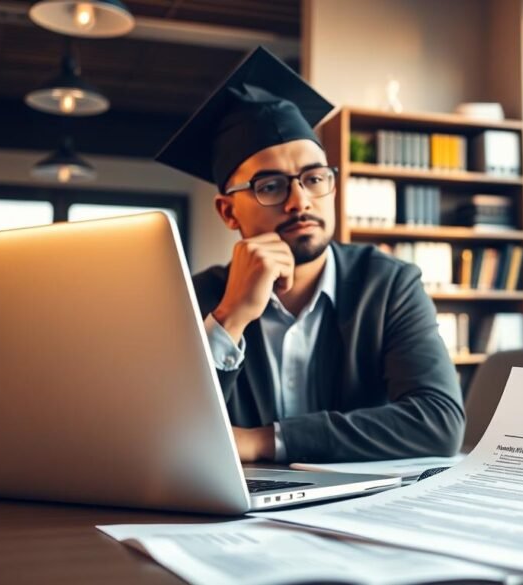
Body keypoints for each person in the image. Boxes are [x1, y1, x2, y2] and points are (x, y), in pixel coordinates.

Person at [156, 47, 463, 464]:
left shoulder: (388, 285)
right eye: (270, 185)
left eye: (315, 178)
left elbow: (438, 422)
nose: (300, 201)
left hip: (362, 507)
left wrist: (263, 441)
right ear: (228, 211)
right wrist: (231, 318)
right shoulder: (196, 297)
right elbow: (166, 435)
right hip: (237, 511)